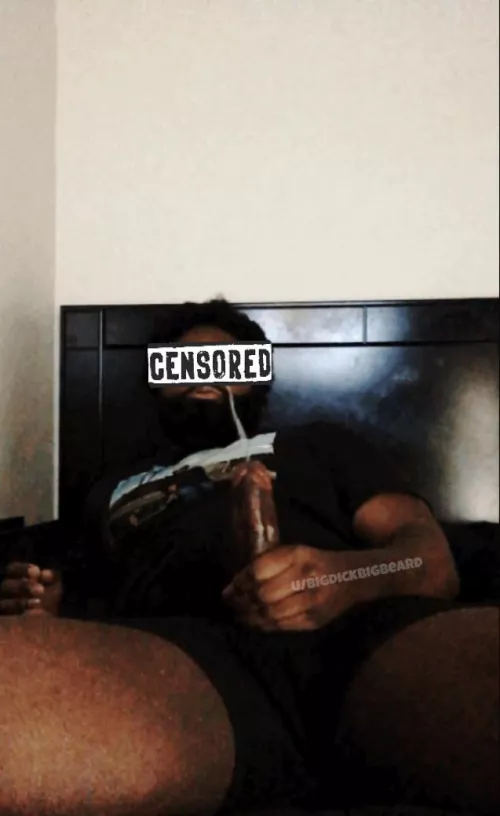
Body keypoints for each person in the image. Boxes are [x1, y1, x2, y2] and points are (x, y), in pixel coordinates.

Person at [0, 299, 498, 816]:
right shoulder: (114, 488)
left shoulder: (321, 445)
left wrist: (349, 579)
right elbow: (88, 596)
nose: (204, 373)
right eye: (183, 362)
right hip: (179, 666)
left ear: (257, 378)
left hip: (364, 634)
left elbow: (427, 563)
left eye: (225, 360)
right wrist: (53, 606)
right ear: (157, 382)